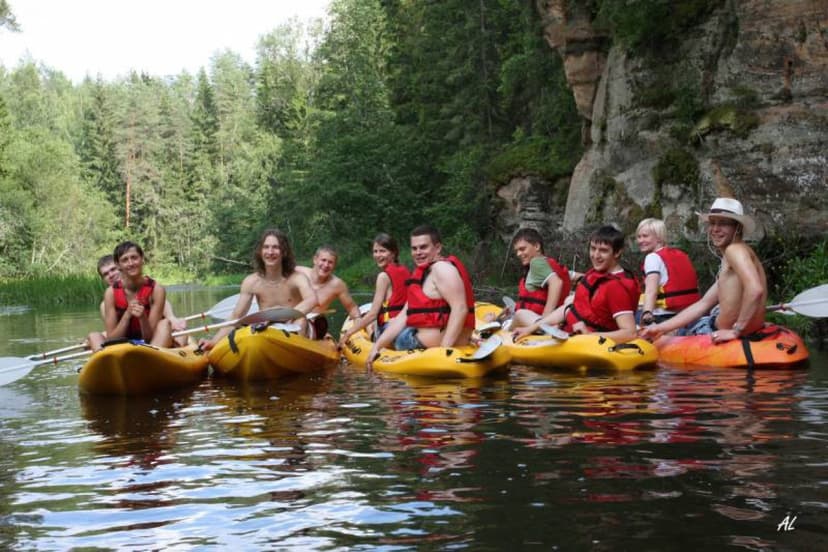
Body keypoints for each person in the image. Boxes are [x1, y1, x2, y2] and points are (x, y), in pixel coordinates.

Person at [640, 198, 766, 343]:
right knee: (663, 331)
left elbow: (756, 289)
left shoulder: (734, 250)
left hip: (721, 332)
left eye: (723, 223)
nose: (715, 229)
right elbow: (704, 304)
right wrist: (660, 328)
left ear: (737, 227)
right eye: (712, 223)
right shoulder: (737, 255)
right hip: (732, 329)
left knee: (655, 341)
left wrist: (736, 331)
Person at [367, 225, 475, 367]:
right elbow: (403, 316)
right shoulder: (426, 272)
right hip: (426, 340)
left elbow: (460, 308)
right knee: (395, 324)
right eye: (414, 248)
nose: (418, 252)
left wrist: (444, 351)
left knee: (392, 330)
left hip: (425, 346)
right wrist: (377, 346)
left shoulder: (441, 269)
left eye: (423, 247)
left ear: (437, 248)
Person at [513, 225, 639, 343]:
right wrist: (530, 329)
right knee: (569, 300)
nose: (595, 255)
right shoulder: (596, 274)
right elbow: (568, 309)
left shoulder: (615, 287)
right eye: (593, 249)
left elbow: (630, 333)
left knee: (520, 314)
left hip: (580, 341)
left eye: (603, 251)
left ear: (617, 253)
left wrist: (589, 336)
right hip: (566, 330)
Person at [198, 229, 319, 350]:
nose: (270, 252)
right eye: (266, 247)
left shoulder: (297, 278)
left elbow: (312, 299)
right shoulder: (251, 282)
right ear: (260, 252)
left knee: (301, 321)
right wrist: (213, 342)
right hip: (268, 328)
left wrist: (284, 315)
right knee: (248, 332)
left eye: (275, 247)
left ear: (284, 252)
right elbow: (236, 316)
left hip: (294, 324)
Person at [93, 241, 173, 349]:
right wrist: (127, 315)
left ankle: (149, 361)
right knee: (93, 336)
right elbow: (111, 341)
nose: (131, 263)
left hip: (150, 346)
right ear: (118, 265)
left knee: (165, 324)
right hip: (123, 347)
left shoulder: (157, 290)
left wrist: (142, 318)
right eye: (125, 260)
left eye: (134, 258)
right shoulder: (110, 293)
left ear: (142, 259)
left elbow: (150, 339)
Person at [338, 234, 410, 346]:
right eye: (375, 251)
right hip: (403, 324)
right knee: (373, 319)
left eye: (382, 251)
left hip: (390, 329)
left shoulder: (383, 277)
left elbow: (372, 314)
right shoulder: (405, 270)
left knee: (369, 319)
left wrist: (348, 334)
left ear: (393, 253)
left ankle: (373, 338)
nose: (377, 255)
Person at [635, 218, 700, 326]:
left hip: (663, 316)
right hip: (688, 314)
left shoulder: (652, 257)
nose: (641, 240)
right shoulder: (680, 254)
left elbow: (651, 290)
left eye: (645, 236)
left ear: (659, 238)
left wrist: (647, 313)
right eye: (639, 237)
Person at [509, 228, 572, 330]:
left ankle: (545, 329)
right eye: (517, 251)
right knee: (515, 314)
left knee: (519, 314)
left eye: (522, 249)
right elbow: (573, 276)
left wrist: (545, 319)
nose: (518, 254)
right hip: (542, 322)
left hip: (540, 323)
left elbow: (556, 283)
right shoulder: (549, 265)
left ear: (537, 246)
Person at [296, 245, 361, 339]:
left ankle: (297, 347)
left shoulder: (337, 285)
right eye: (323, 260)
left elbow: (352, 308)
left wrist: (356, 328)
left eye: (330, 262)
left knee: (301, 321)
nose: (326, 265)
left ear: (334, 266)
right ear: (315, 260)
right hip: (290, 316)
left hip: (314, 323)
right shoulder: (298, 272)